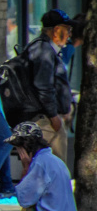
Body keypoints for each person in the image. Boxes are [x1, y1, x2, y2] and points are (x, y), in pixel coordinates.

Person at [7, 122, 93, 211]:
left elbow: (24, 199)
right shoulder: (56, 161)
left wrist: (25, 168)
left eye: (18, 149)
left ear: (25, 148)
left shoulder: (40, 163)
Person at [25, 9, 76, 162]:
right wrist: (54, 117)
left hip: (48, 121)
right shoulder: (43, 51)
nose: (69, 35)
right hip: (46, 123)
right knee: (52, 171)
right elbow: (43, 87)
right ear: (56, 30)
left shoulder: (47, 50)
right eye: (67, 30)